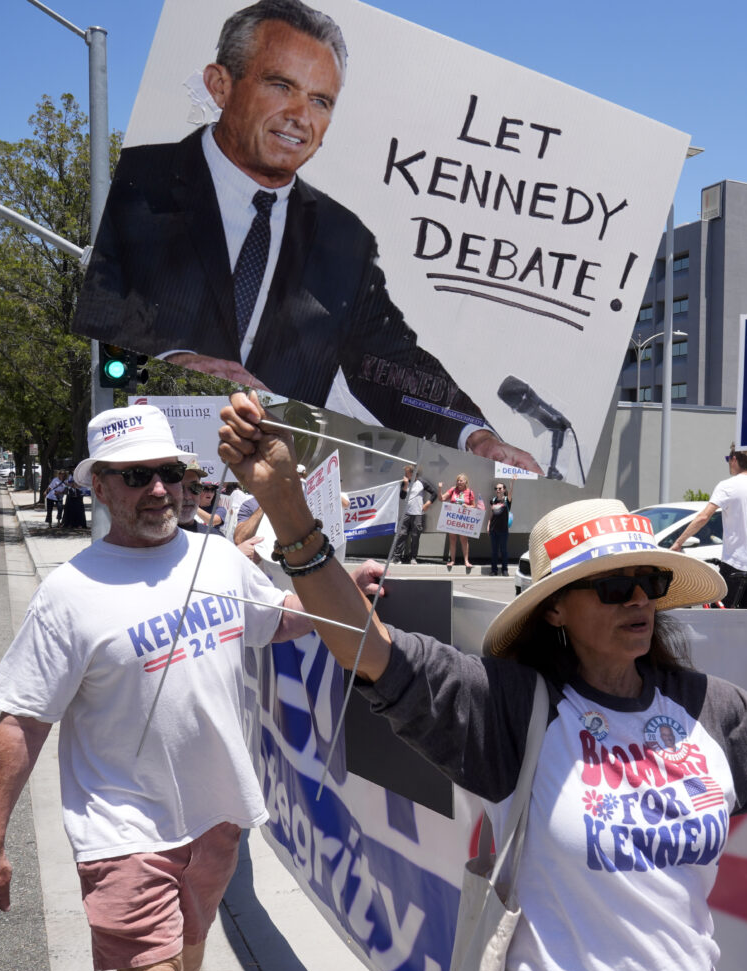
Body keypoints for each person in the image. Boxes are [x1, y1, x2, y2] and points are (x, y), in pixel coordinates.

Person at [215, 391, 747, 971]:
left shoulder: (707, 710)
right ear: (555, 609)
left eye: (650, 583)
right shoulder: (514, 709)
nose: (638, 602)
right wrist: (288, 510)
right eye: (613, 587)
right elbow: (364, 646)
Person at [71, 0, 538, 473]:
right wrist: (177, 358)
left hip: (280, 479)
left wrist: (473, 434)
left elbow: (394, 362)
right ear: (220, 86)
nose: (301, 115)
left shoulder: (345, 237)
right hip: (163, 462)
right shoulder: (135, 185)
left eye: (320, 101)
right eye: (281, 85)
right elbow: (103, 305)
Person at [0, 404, 320, 971]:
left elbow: (275, 620)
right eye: (135, 476)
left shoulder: (218, 557)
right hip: (122, 827)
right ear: (98, 487)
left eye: (168, 472)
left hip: (216, 816)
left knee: (181, 965)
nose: (158, 489)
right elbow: (23, 721)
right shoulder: (70, 593)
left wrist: (341, 592)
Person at [671, 445, 747, 608]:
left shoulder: (728, 486)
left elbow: (703, 517)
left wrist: (678, 542)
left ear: (734, 459)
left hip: (736, 562)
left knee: (719, 617)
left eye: (728, 459)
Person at [441, 473, 481, 571]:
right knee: (452, 540)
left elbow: (474, 506)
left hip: (464, 519)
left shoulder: (470, 492)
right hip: (453, 518)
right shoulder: (453, 489)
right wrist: (439, 489)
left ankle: (466, 561)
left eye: (461, 480)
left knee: (464, 540)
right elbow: (442, 498)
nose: (459, 482)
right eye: (458, 480)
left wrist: (467, 506)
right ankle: (452, 560)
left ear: (465, 482)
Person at [397, 465, 436, 564]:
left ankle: (413, 557)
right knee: (402, 534)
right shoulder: (405, 483)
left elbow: (434, 493)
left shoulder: (422, 482)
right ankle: (397, 556)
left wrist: (428, 504)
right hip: (406, 513)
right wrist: (405, 485)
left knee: (415, 536)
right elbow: (402, 496)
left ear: (413, 473)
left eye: (407, 473)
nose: (405, 475)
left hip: (418, 513)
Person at [488, 480, 513, 576]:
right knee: (494, 551)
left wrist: (512, 483)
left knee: (503, 550)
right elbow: (492, 514)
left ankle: (504, 570)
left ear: (504, 490)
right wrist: (488, 525)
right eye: (496, 489)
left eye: (500, 488)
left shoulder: (507, 500)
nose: (498, 490)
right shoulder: (493, 500)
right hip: (493, 529)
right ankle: (494, 570)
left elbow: (510, 494)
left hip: (503, 530)